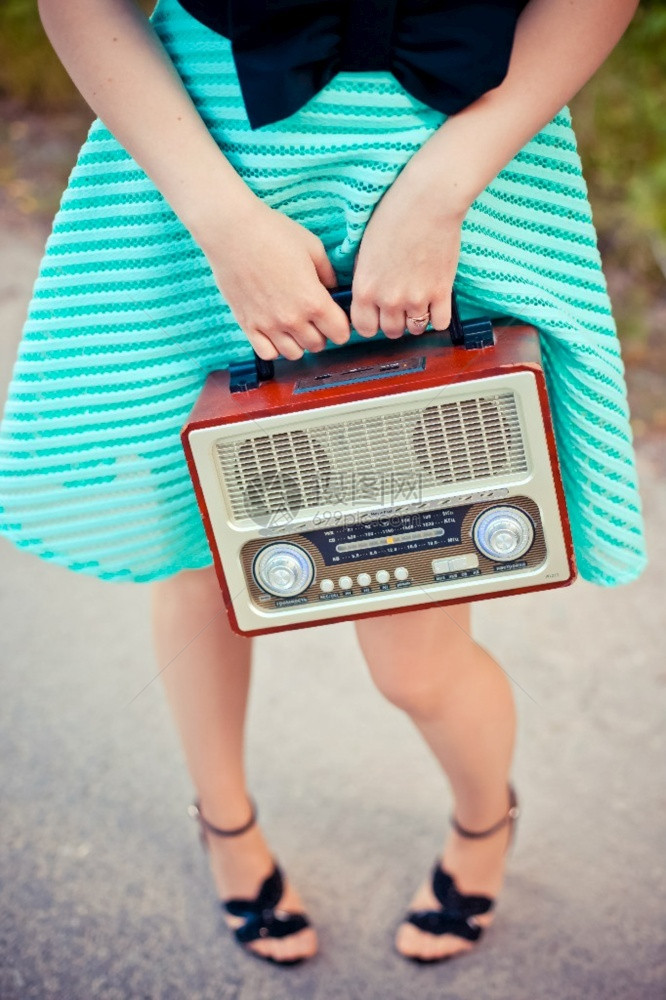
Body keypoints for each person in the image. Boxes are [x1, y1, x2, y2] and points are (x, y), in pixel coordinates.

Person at [0, 0, 646, 968]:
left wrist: (440, 193)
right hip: (204, 167)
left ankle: (483, 820)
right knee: (202, 552)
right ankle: (226, 823)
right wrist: (221, 220)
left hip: (462, 163)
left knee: (418, 631)